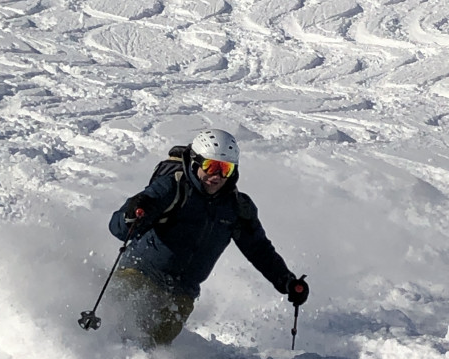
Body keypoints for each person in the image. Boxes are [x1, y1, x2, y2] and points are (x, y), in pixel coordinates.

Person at [108, 129, 309, 346]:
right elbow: (118, 228)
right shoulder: (172, 188)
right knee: (117, 322)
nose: (217, 176)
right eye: (211, 166)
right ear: (195, 163)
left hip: (181, 292)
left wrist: (286, 281)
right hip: (141, 273)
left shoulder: (236, 208)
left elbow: (259, 249)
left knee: (155, 342)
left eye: (226, 169)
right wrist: (133, 215)